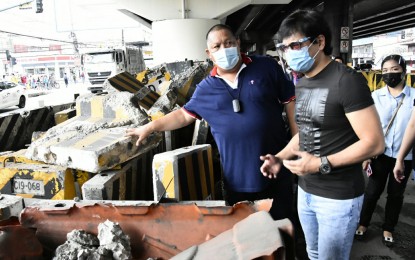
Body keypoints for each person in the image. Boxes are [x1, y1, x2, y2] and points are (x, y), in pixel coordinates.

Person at [126, 24, 297, 221]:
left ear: (238, 43)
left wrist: (295, 142)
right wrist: (149, 127)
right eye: (217, 47)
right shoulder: (206, 88)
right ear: (209, 53)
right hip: (237, 181)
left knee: (283, 228)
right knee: (248, 237)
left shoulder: (265, 67)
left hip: (276, 170)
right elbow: (183, 116)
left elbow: (289, 100)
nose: (224, 49)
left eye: (229, 43)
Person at [259, 9, 384, 260]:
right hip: (306, 191)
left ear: (320, 42)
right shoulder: (303, 81)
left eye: (295, 45)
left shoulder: (347, 81)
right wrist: (280, 158)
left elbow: (374, 143)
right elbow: (305, 132)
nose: (289, 53)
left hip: (338, 197)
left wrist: (320, 163)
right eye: (285, 48)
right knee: (313, 253)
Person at [355, 55, 415, 247]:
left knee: (396, 194)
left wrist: (402, 157)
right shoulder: (376, 96)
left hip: (405, 156)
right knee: (372, 192)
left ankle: (389, 227)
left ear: (404, 71)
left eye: (395, 69)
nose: (390, 74)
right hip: (379, 154)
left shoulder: (413, 96)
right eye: (386, 70)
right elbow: (370, 127)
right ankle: (363, 223)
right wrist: (366, 154)